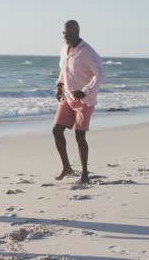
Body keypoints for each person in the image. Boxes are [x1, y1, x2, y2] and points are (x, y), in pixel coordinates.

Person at [53, 20, 105, 184]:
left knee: (79, 136)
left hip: (84, 100)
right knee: (56, 130)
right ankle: (67, 168)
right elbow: (64, 70)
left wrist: (85, 91)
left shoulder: (87, 52)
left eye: (66, 33)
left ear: (76, 32)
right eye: (63, 33)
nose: (64, 36)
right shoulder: (64, 49)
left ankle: (84, 175)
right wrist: (59, 85)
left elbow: (100, 74)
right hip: (68, 98)